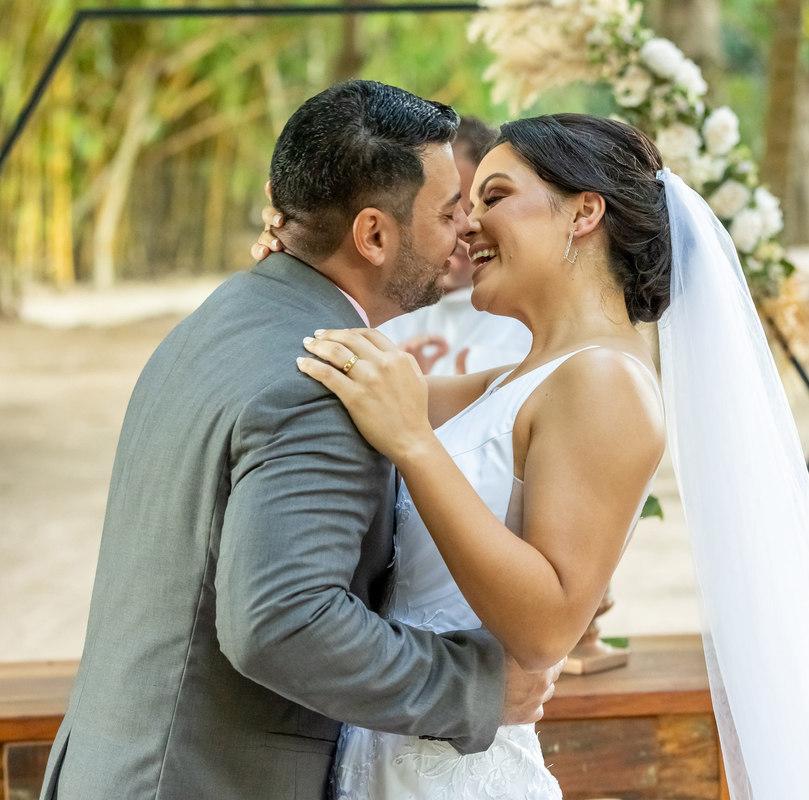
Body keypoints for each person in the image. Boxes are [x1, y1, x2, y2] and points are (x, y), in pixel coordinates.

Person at [287, 114, 809, 798]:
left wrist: (413, 444)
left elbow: (547, 626)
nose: (468, 227)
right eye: (465, 208)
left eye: (493, 198)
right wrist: (302, 258)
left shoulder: (607, 381)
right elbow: (367, 382)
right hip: (392, 759)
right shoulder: (519, 379)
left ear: (584, 212)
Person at [38, 81, 560, 800]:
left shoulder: (226, 317)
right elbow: (284, 622)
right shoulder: (317, 384)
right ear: (374, 235)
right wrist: (476, 688)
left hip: (122, 766)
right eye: (447, 212)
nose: (464, 231)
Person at [378, 116, 533, 375]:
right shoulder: (375, 307)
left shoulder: (524, 322)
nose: (464, 228)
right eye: (446, 212)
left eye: (480, 207)